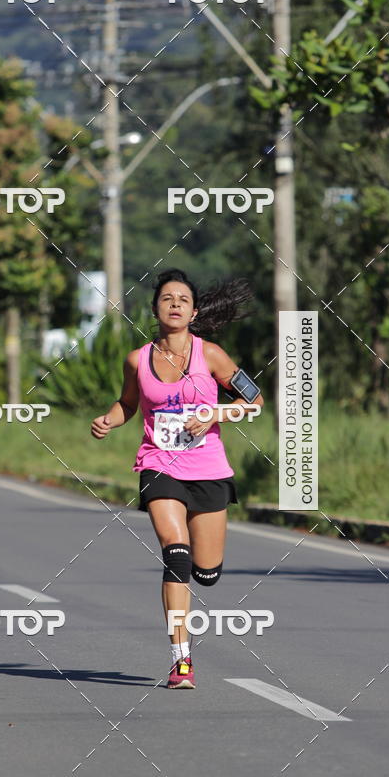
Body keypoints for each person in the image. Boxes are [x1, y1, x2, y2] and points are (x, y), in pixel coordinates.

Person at [91, 268, 264, 688]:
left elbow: (254, 401)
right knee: (177, 555)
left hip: (209, 470)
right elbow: (127, 403)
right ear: (155, 310)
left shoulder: (212, 355)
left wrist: (216, 413)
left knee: (206, 572)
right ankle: (181, 660)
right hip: (159, 464)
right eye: (167, 298)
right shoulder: (137, 360)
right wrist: (109, 420)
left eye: (183, 300)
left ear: (194, 312)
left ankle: (201, 580)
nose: (175, 305)